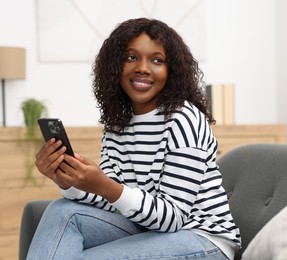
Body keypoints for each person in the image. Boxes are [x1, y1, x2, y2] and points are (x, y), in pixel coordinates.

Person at [27, 18, 241, 260]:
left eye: (157, 60)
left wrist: (106, 186)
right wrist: (69, 181)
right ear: (114, 65)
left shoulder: (183, 119)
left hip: (202, 238)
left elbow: (172, 217)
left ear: (172, 71)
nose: (142, 68)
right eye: (131, 57)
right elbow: (113, 201)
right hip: (145, 229)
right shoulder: (118, 124)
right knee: (62, 212)